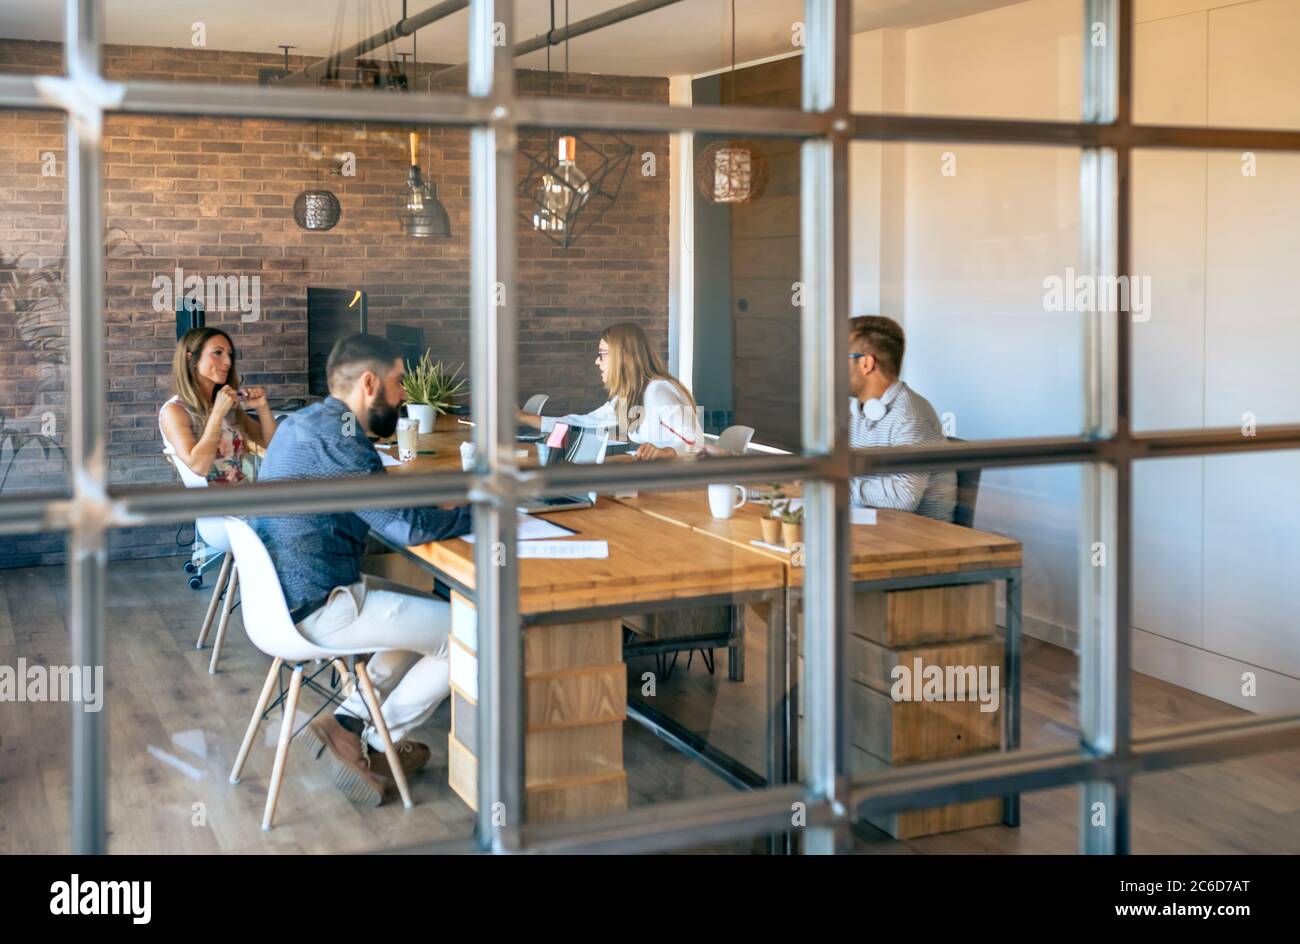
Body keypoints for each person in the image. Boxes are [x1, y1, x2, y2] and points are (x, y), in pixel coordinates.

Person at [253, 333, 473, 806]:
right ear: (369, 383)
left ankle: (347, 723)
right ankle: (379, 742)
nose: (403, 397)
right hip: (321, 607)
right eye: (397, 384)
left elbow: (385, 505)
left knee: (429, 610)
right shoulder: (342, 440)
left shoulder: (306, 424)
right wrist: (485, 508)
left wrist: (428, 505)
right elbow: (407, 528)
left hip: (289, 597)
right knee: (480, 635)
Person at [518, 322, 702, 460]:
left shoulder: (658, 391)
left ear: (623, 356)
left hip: (681, 487)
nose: (597, 362)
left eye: (602, 354)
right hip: (657, 482)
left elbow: (695, 441)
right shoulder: (630, 396)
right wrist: (522, 417)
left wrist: (665, 452)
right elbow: (585, 423)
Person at [847, 315, 956, 522]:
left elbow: (903, 496)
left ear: (866, 364)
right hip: (873, 529)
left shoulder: (911, 417)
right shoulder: (858, 411)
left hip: (917, 542)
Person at [159, 327, 277, 484]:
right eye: (218, 353)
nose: (228, 362)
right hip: (211, 505)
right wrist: (217, 413)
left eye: (229, 354)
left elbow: (273, 445)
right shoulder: (174, 411)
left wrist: (262, 407)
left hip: (244, 500)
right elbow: (199, 467)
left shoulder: (227, 406)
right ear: (191, 359)